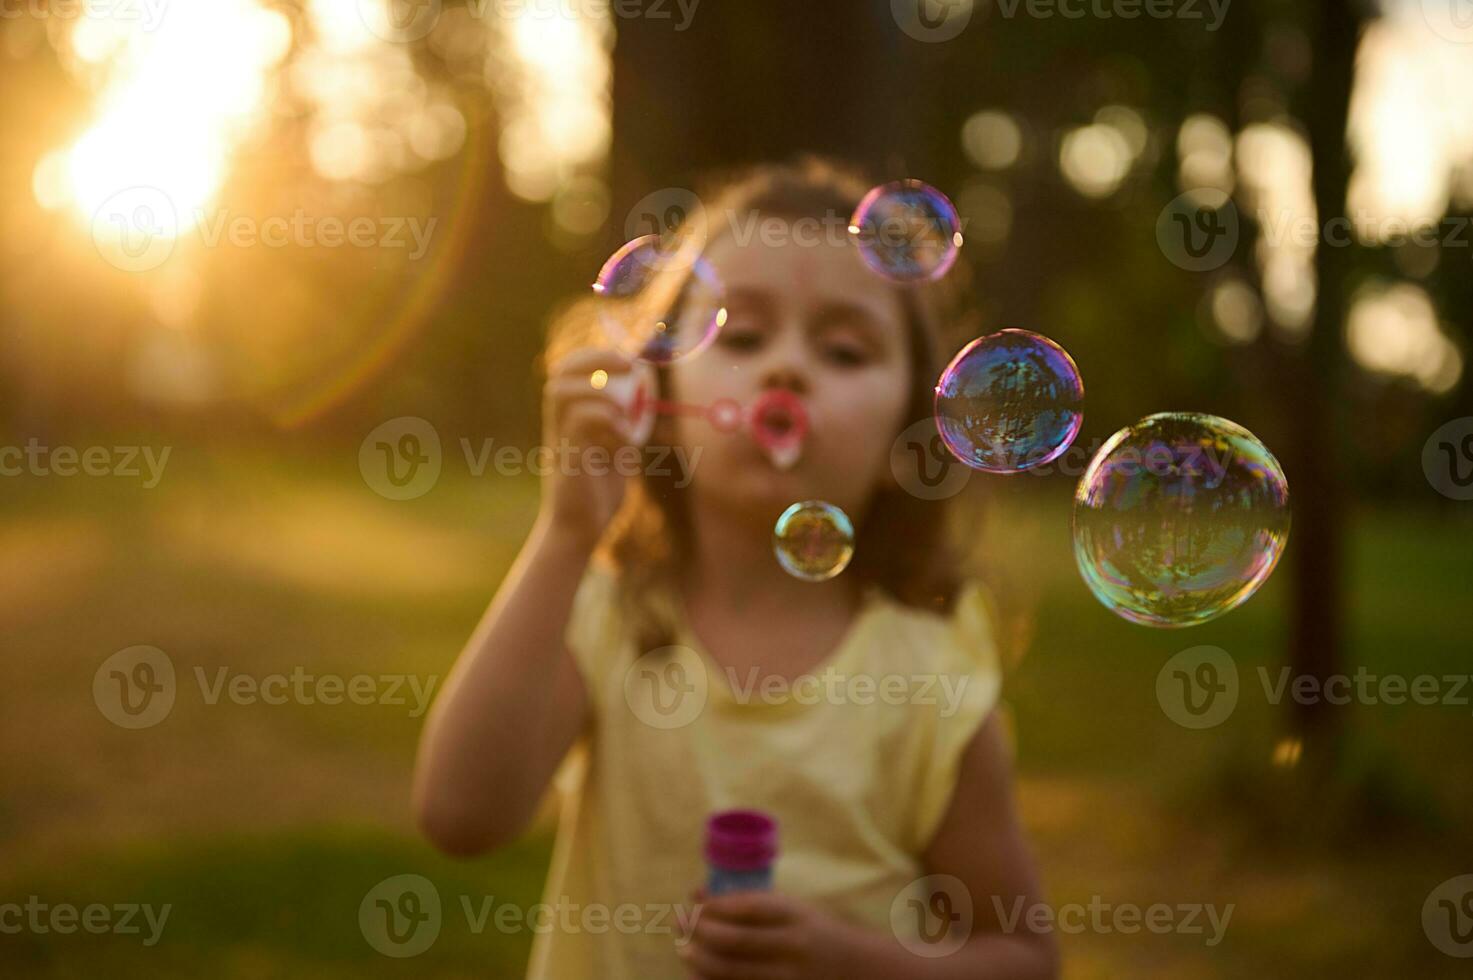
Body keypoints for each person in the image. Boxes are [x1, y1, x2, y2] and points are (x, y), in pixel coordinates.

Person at [413, 158, 1058, 979]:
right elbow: (459, 816)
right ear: (658, 389)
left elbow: (1022, 956)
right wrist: (565, 535)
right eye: (743, 336)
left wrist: (852, 962)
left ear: (907, 434)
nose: (784, 368)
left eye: (843, 350)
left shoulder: (927, 664)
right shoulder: (613, 610)